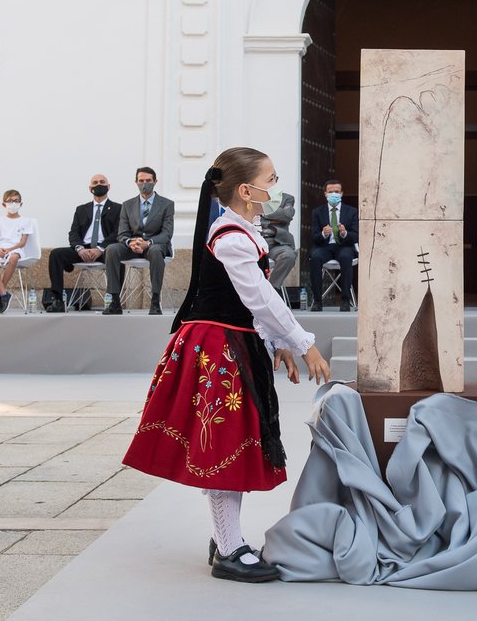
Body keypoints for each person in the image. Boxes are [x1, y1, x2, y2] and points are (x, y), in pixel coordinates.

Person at [122, 147, 330, 583]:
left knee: (231, 442)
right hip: (218, 348)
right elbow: (260, 297)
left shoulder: (242, 231)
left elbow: (251, 303)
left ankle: (225, 537)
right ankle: (229, 547)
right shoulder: (232, 237)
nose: (275, 188)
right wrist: (303, 342)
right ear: (245, 191)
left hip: (232, 342)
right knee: (222, 444)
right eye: (270, 181)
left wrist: (278, 343)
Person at [45, 174, 122, 313]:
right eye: (95, 182)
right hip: (83, 249)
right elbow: (73, 232)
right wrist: (80, 249)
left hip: (106, 249)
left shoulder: (118, 208)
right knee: (56, 254)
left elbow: (118, 233)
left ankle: (115, 302)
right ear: (90, 188)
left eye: (102, 182)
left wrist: (100, 248)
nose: (99, 184)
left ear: (108, 186)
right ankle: (58, 300)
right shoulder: (81, 209)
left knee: (117, 255)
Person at [103, 167, 175, 316]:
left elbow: (167, 233)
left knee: (156, 251)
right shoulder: (127, 205)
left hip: (154, 245)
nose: (144, 184)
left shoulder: (167, 204)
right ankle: (114, 300)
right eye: (141, 180)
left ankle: (155, 301)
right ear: (136, 182)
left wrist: (148, 243)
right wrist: (131, 242)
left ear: (155, 181)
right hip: (133, 245)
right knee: (111, 249)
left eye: (148, 180)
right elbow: (122, 233)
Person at [308, 180, 358, 312]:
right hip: (325, 247)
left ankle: (345, 300)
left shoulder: (352, 211)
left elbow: (356, 236)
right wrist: (323, 234)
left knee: (346, 257)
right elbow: (314, 237)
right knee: (315, 257)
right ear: (325, 194)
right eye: (330, 192)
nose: (334, 194)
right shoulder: (317, 212)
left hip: (344, 246)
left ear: (341, 194)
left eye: (337, 192)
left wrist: (344, 233)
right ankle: (317, 301)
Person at [0, 190, 33, 313]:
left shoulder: (26, 221)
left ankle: (0, 291)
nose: (13, 203)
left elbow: (23, 242)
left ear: (21, 203)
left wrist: (9, 250)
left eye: (16, 201)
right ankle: (4, 294)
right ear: (4, 204)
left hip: (15, 249)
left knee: (14, 258)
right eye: (10, 201)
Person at [257, 191, 296, 291]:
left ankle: (271, 289)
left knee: (289, 255)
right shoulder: (253, 196)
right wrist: (277, 215)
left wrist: (261, 211)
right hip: (256, 243)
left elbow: (287, 215)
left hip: (276, 243)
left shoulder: (287, 198)